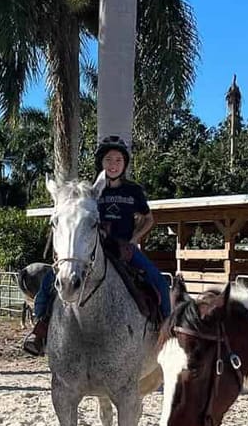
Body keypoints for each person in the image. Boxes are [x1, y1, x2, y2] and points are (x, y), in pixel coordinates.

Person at [22, 135, 171, 356]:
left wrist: (133, 239)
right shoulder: (90, 191)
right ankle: (40, 329)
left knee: (158, 281)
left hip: (125, 249)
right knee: (48, 282)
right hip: (95, 247)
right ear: (101, 162)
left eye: (118, 160)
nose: (113, 165)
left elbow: (148, 219)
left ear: (125, 164)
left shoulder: (133, 191)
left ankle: (167, 333)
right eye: (108, 160)